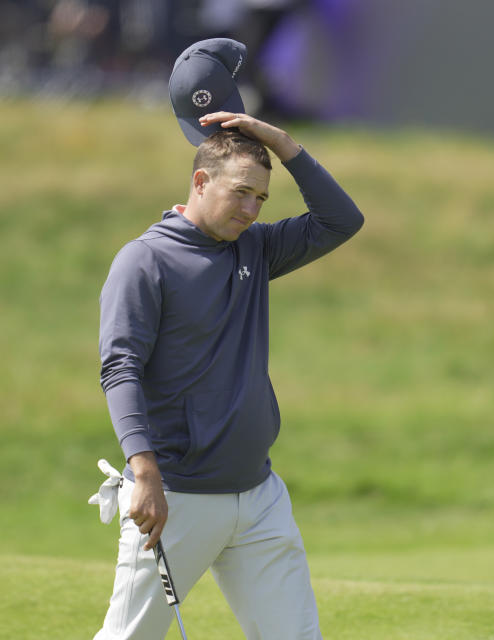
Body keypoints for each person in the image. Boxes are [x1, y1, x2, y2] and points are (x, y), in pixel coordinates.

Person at [94, 110, 364, 639]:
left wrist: (282, 143)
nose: (250, 209)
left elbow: (341, 221)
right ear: (201, 180)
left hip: (259, 494)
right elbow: (119, 367)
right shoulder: (144, 261)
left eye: (261, 199)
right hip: (176, 495)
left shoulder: (256, 249)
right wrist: (143, 471)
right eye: (241, 192)